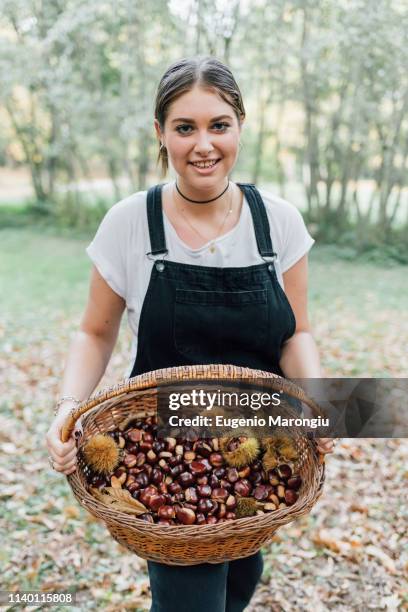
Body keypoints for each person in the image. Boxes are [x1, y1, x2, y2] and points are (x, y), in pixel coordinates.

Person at [46, 55, 334, 612]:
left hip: (254, 451)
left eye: (218, 125)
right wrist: (66, 405)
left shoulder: (279, 223)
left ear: (240, 127)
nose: (204, 144)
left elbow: (296, 334)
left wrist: (322, 400)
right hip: (161, 452)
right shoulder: (129, 222)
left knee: (240, 582)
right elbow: (94, 332)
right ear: (161, 133)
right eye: (185, 128)